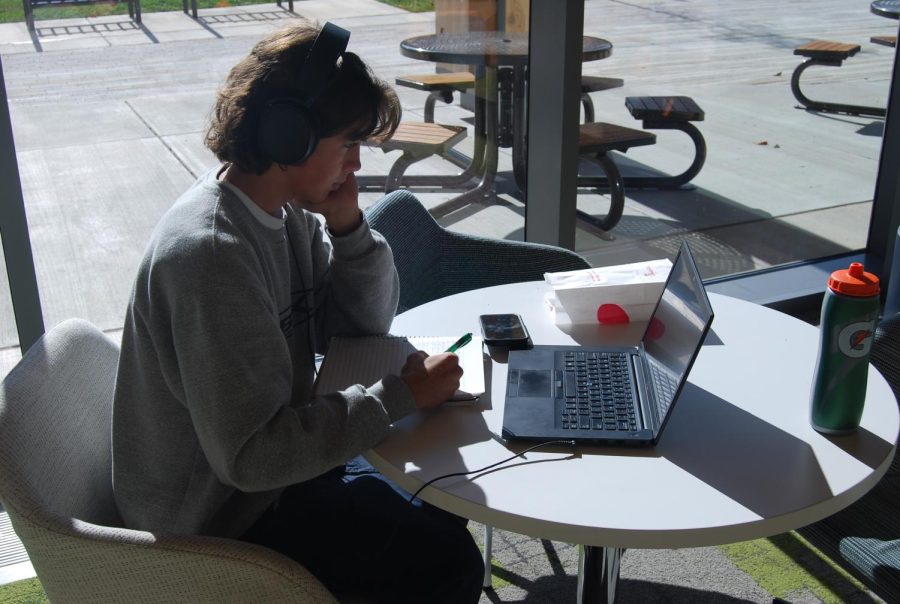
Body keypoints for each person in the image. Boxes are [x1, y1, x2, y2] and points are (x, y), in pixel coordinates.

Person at [111, 19, 484, 603]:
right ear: (290, 138)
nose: (356, 165)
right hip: (215, 522)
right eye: (348, 144)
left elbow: (359, 330)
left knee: (443, 495)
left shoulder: (286, 215)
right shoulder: (214, 257)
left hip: (265, 482)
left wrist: (350, 229)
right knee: (445, 561)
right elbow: (251, 458)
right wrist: (402, 396)